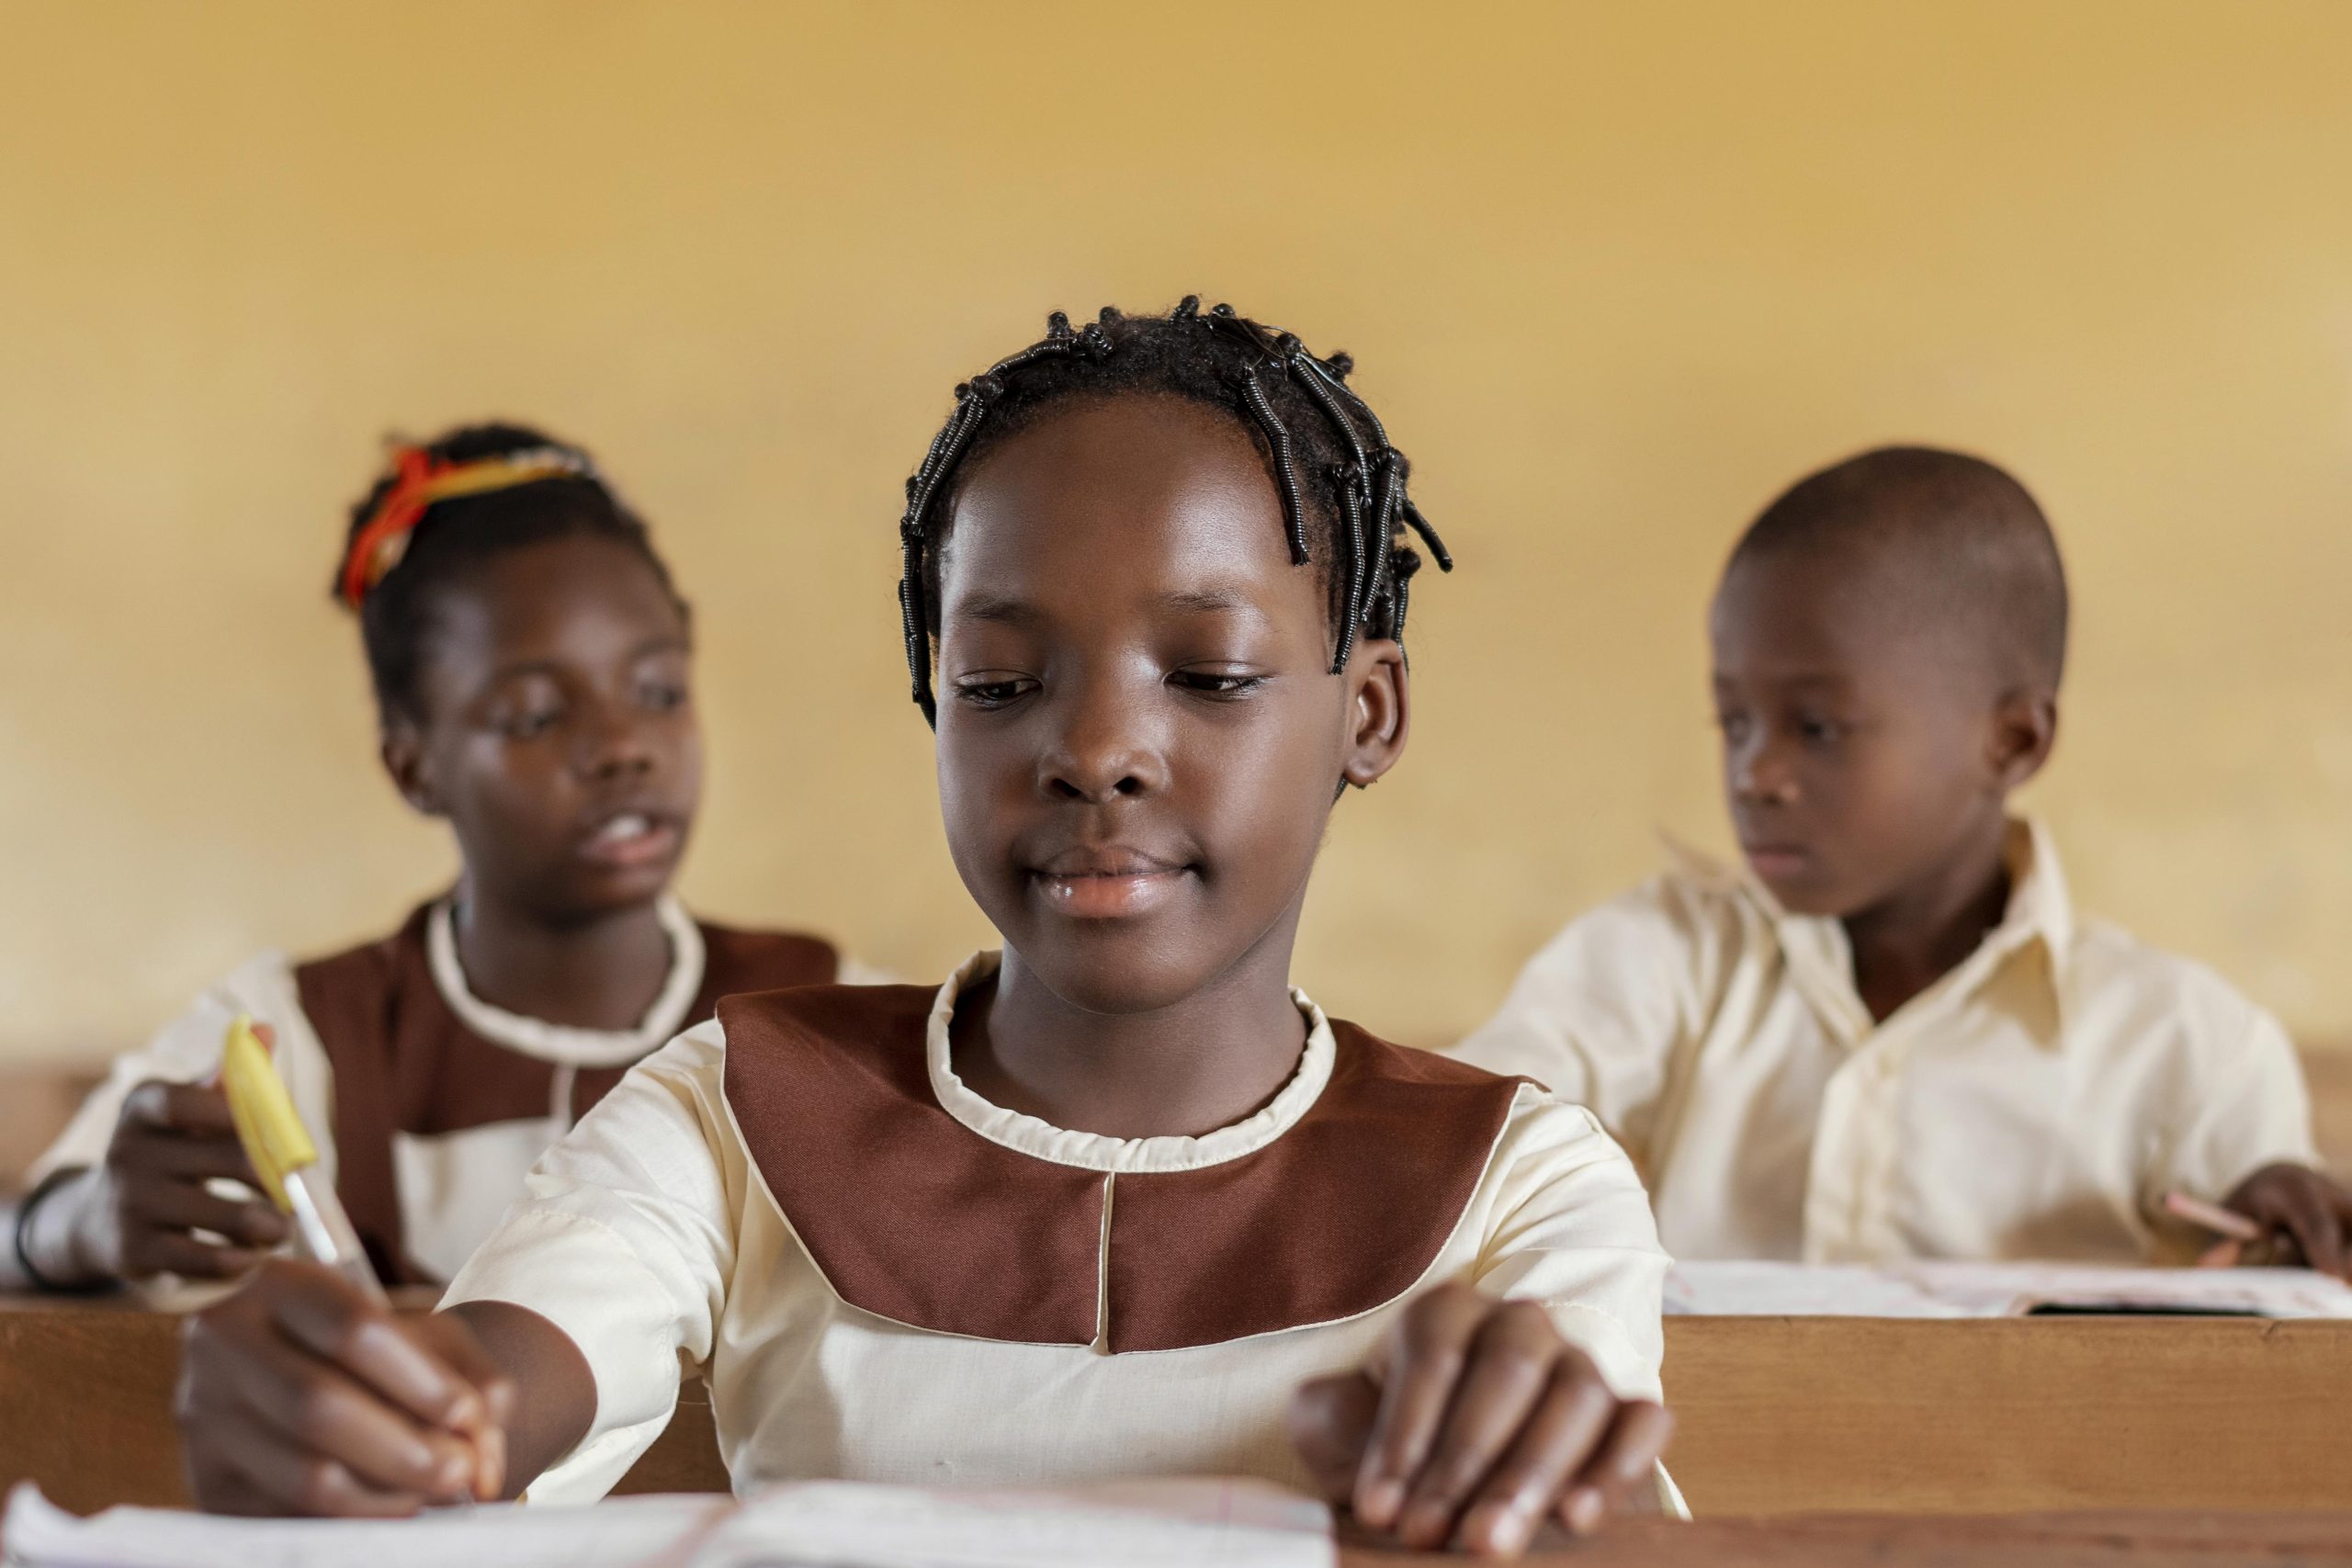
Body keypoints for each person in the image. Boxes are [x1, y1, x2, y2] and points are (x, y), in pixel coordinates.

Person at [175, 303, 1674, 1557]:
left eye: (1208, 677)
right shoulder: (740, 1105)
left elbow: (1577, 1489)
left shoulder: (1513, 1182)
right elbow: (498, 1389)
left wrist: (1535, 1452)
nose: (1097, 748)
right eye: (1001, 682)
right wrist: (373, 1408)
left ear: (1370, 711)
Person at [6, 424, 856, 1292]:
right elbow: (18, 1236)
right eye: (533, 714)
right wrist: (77, 1225)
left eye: (658, 691)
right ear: (414, 766)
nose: (622, 746)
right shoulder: (301, 1039)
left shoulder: (844, 1019)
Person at [1455, 446, 2349, 1270]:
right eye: (1733, 722)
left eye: (1816, 727)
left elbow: (2268, 1353)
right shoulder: (1658, 962)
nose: (1754, 775)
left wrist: (2279, 1238)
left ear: (2010, 741)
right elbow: (1459, 1151)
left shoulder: (2187, 1050)